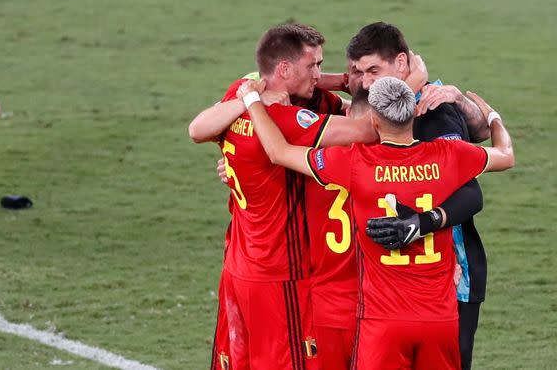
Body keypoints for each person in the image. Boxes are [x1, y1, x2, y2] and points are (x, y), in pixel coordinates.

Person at [238, 76, 513, 370]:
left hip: (383, 322)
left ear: (374, 121)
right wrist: (493, 116)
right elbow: (506, 155)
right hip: (440, 319)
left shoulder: (355, 163)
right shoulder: (447, 155)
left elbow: (278, 152)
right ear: (413, 113)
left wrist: (252, 101)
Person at [189, 22, 377, 369]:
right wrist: (409, 86)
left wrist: (250, 99)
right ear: (285, 69)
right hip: (280, 274)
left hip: (238, 264)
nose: (319, 73)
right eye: (314, 66)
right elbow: (368, 131)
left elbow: (196, 129)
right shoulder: (284, 118)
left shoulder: (241, 94)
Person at [346, 22, 489, 369]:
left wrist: (423, 223)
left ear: (401, 62)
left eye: (373, 71)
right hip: (399, 281)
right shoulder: (382, 106)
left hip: (451, 273)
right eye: (359, 72)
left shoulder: (432, 109)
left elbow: (470, 193)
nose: (365, 83)